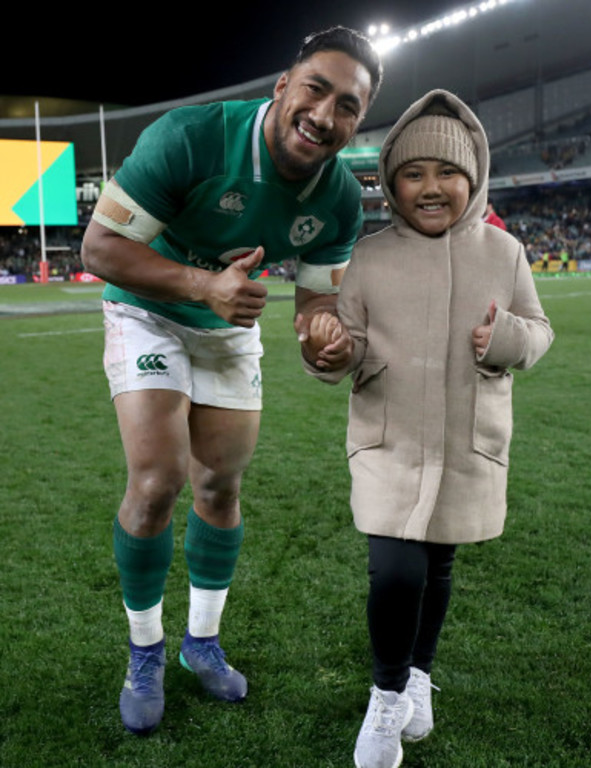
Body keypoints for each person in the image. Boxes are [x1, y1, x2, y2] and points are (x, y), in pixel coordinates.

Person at [80, 25, 383, 736]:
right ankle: (145, 652)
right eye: (316, 88)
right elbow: (99, 246)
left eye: (349, 106)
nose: (326, 114)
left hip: (228, 324)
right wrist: (198, 284)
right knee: (157, 483)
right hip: (147, 309)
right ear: (283, 85)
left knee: (220, 486)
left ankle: (202, 643)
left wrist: (323, 343)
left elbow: (316, 304)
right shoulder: (190, 137)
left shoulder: (337, 200)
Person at [299, 89, 554, 768]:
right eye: (413, 174)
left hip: (469, 440)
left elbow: (539, 333)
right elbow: (344, 343)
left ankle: (419, 673)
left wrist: (503, 338)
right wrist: (329, 351)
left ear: (474, 179)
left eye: (447, 172)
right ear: (390, 182)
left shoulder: (505, 251)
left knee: (438, 564)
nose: (431, 187)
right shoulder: (370, 256)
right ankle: (386, 698)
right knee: (396, 570)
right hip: (390, 443)